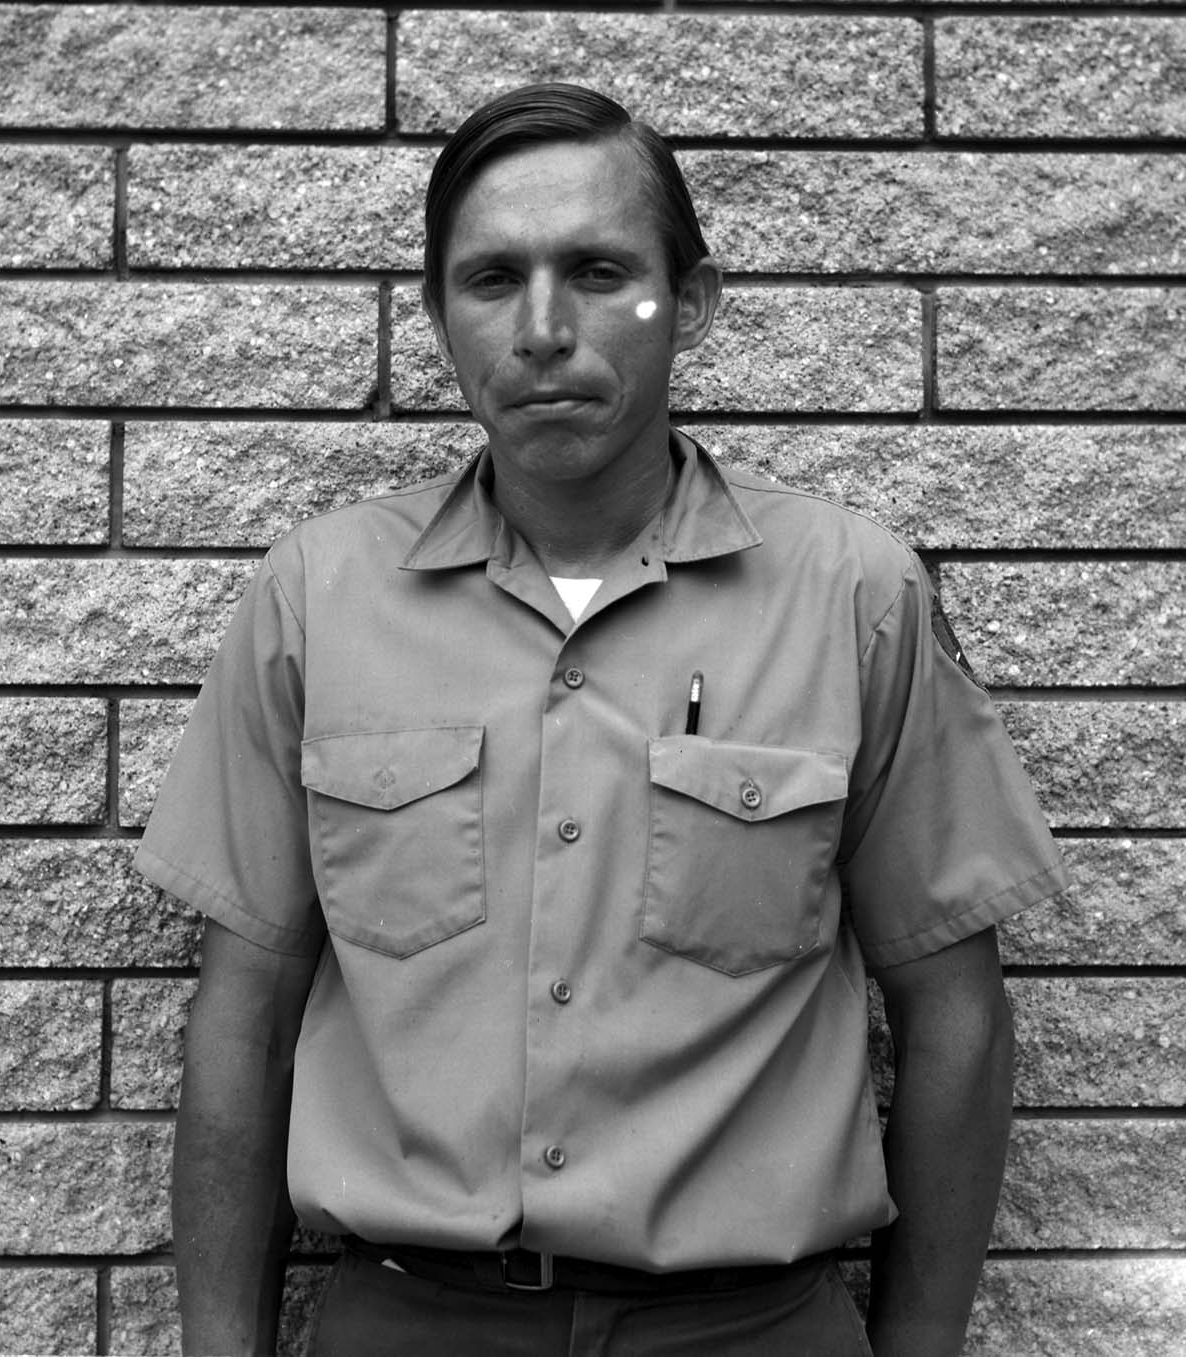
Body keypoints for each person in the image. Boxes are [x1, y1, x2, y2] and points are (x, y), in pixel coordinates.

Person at [136, 83, 1069, 1357]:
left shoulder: (852, 598)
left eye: (597, 271)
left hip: (751, 1329)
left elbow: (954, 1011)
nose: (542, 329)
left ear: (691, 302)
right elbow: (243, 1019)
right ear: (437, 316)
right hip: (409, 1323)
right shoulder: (319, 598)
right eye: (491, 279)